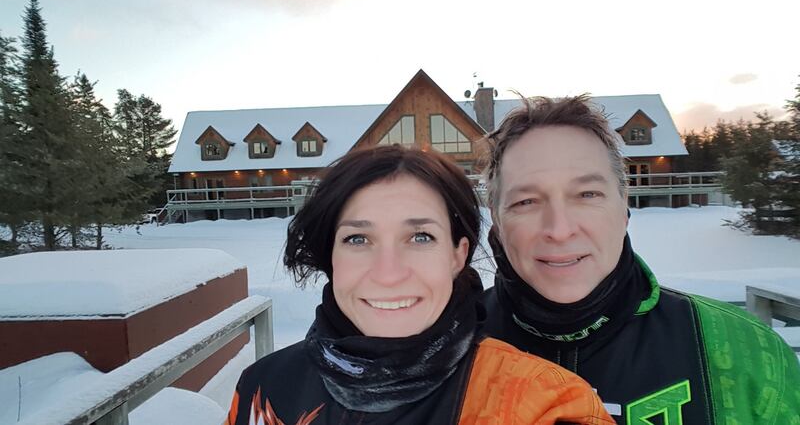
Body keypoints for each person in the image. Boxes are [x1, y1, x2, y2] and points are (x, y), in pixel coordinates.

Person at [225, 145, 614, 425]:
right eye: (358, 239)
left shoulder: (543, 402)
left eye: (421, 237)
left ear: (457, 255)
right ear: (331, 255)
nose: (389, 273)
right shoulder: (265, 388)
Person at [481, 95, 800, 424]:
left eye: (587, 195)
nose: (559, 230)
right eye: (526, 201)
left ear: (623, 207)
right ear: (497, 218)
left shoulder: (745, 351)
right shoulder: (446, 349)